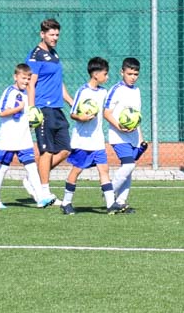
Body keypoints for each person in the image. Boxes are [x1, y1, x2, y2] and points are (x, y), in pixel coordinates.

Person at [59, 57, 116, 216]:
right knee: (77, 170)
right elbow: (73, 113)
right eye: (105, 74)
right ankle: (66, 202)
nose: (107, 77)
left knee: (104, 169)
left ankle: (111, 204)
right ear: (95, 74)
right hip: (82, 141)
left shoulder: (103, 92)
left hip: (97, 141)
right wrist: (81, 117)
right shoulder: (83, 91)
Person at [0, 63, 49, 209]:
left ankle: (41, 198)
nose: (26, 81)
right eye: (23, 78)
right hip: (9, 138)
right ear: (15, 77)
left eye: (28, 79)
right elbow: (2, 112)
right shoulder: (9, 92)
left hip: (24, 138)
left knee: (32, 167)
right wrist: (18, 108)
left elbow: (27, 115)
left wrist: (34, 120)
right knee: (3, 168)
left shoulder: (26, 94)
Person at [28, 18, 73, 199]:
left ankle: (34, 178)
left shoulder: (54, 54)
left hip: (57, 108)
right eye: (51, 34)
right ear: (42, 34)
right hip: (42, 109)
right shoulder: (35, 55)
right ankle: (44, 192)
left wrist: (70, 101)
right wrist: (32, 109)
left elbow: (58, 82)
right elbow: (31, 84)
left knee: (65, 150)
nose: (55, 38)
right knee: (46, 151)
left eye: (57, 35)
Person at [102, 57, 144, 215]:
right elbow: (106, 113)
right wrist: (119, 126)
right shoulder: (116, 89)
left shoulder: (137, 90)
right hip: (118, 136)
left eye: (136, 74)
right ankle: (109, 191)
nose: (133, 77)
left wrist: (140, 138)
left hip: (133, 137)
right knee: (128, 165)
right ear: (122, 72)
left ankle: (121, 202)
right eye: (129, 73)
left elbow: (136, 117)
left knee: (129, 169)